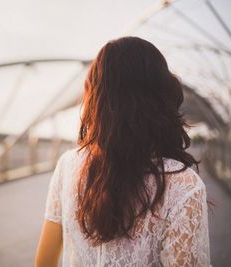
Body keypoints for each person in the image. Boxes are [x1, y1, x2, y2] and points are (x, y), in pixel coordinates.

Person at [35, 36, 210, 267]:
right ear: (162, 95)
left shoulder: (68, 166)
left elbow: (44, 262)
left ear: (95, 97)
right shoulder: (183, 186)